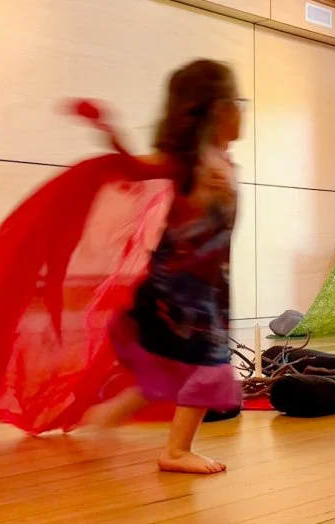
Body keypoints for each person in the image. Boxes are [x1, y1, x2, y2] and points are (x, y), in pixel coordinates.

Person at [78, 59, 246, 475]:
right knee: (208, 369)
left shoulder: (220, 162)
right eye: (238, 102)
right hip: (180, 292)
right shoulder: (184, 163)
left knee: (175, 369)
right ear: (218, 110)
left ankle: (110, 416)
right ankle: (175, 450)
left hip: (206, 290)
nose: (243, 112)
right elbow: (135, 169)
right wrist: (111, 135)